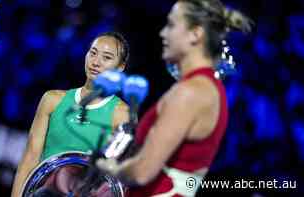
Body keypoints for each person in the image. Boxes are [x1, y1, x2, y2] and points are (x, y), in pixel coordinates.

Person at [97, 0, 252, 196]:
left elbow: (142, 172)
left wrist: (110, 169)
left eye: (171, 25)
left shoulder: (191, 92)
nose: (163, 33)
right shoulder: (204, 88)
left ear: (196, 34)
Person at [11, 32, 131, 197]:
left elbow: (119, 178)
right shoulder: (52, 100)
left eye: (107, 57)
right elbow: (29, 159)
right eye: (93, 53)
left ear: (120, 68)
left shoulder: (122, 114)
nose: (96, 62)